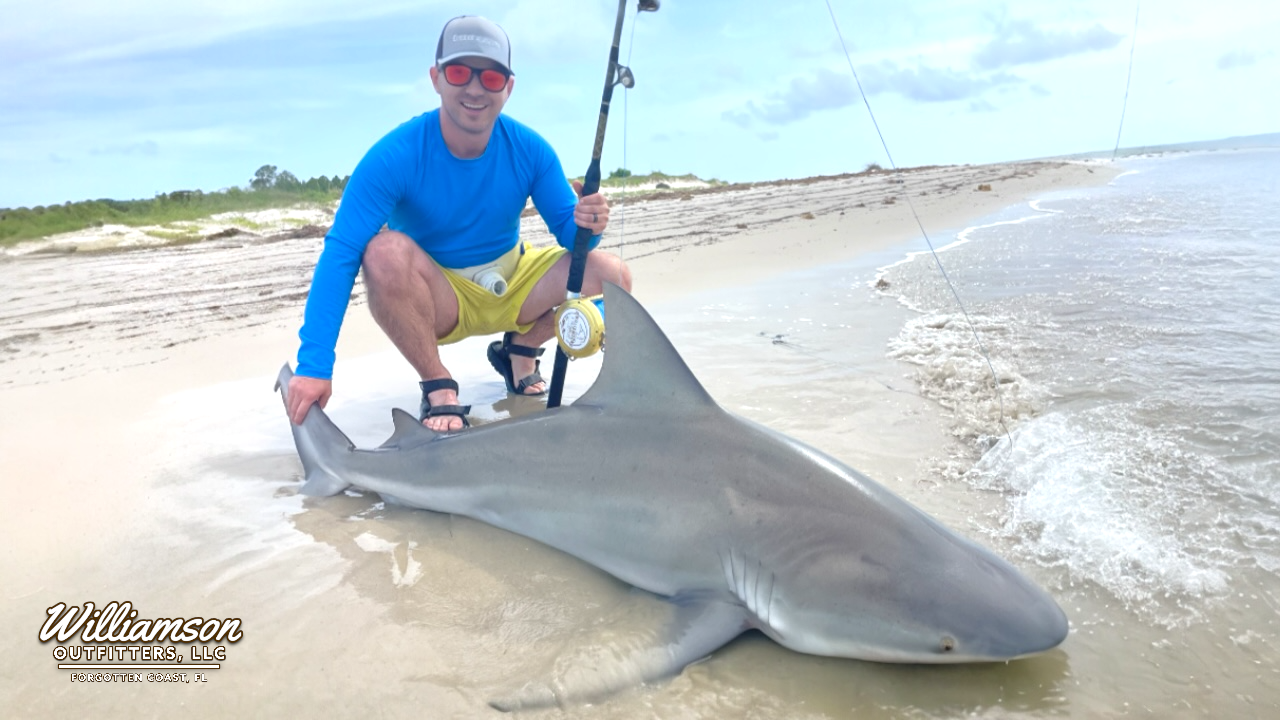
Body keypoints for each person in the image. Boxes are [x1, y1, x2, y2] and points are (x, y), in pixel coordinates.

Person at [285, 15, 631, 432]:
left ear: (509, 87)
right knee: (382, 251)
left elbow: (575, 243)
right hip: (440, 296)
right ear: (436, 78)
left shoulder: (531, 149)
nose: (474, 88)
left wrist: (590, 224)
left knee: (614, 276)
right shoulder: (394, 156)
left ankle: (521, 348)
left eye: (490, 76)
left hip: (514, 281)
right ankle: (438, 385)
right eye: (459, 72)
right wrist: (314, 365)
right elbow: (341, 251)